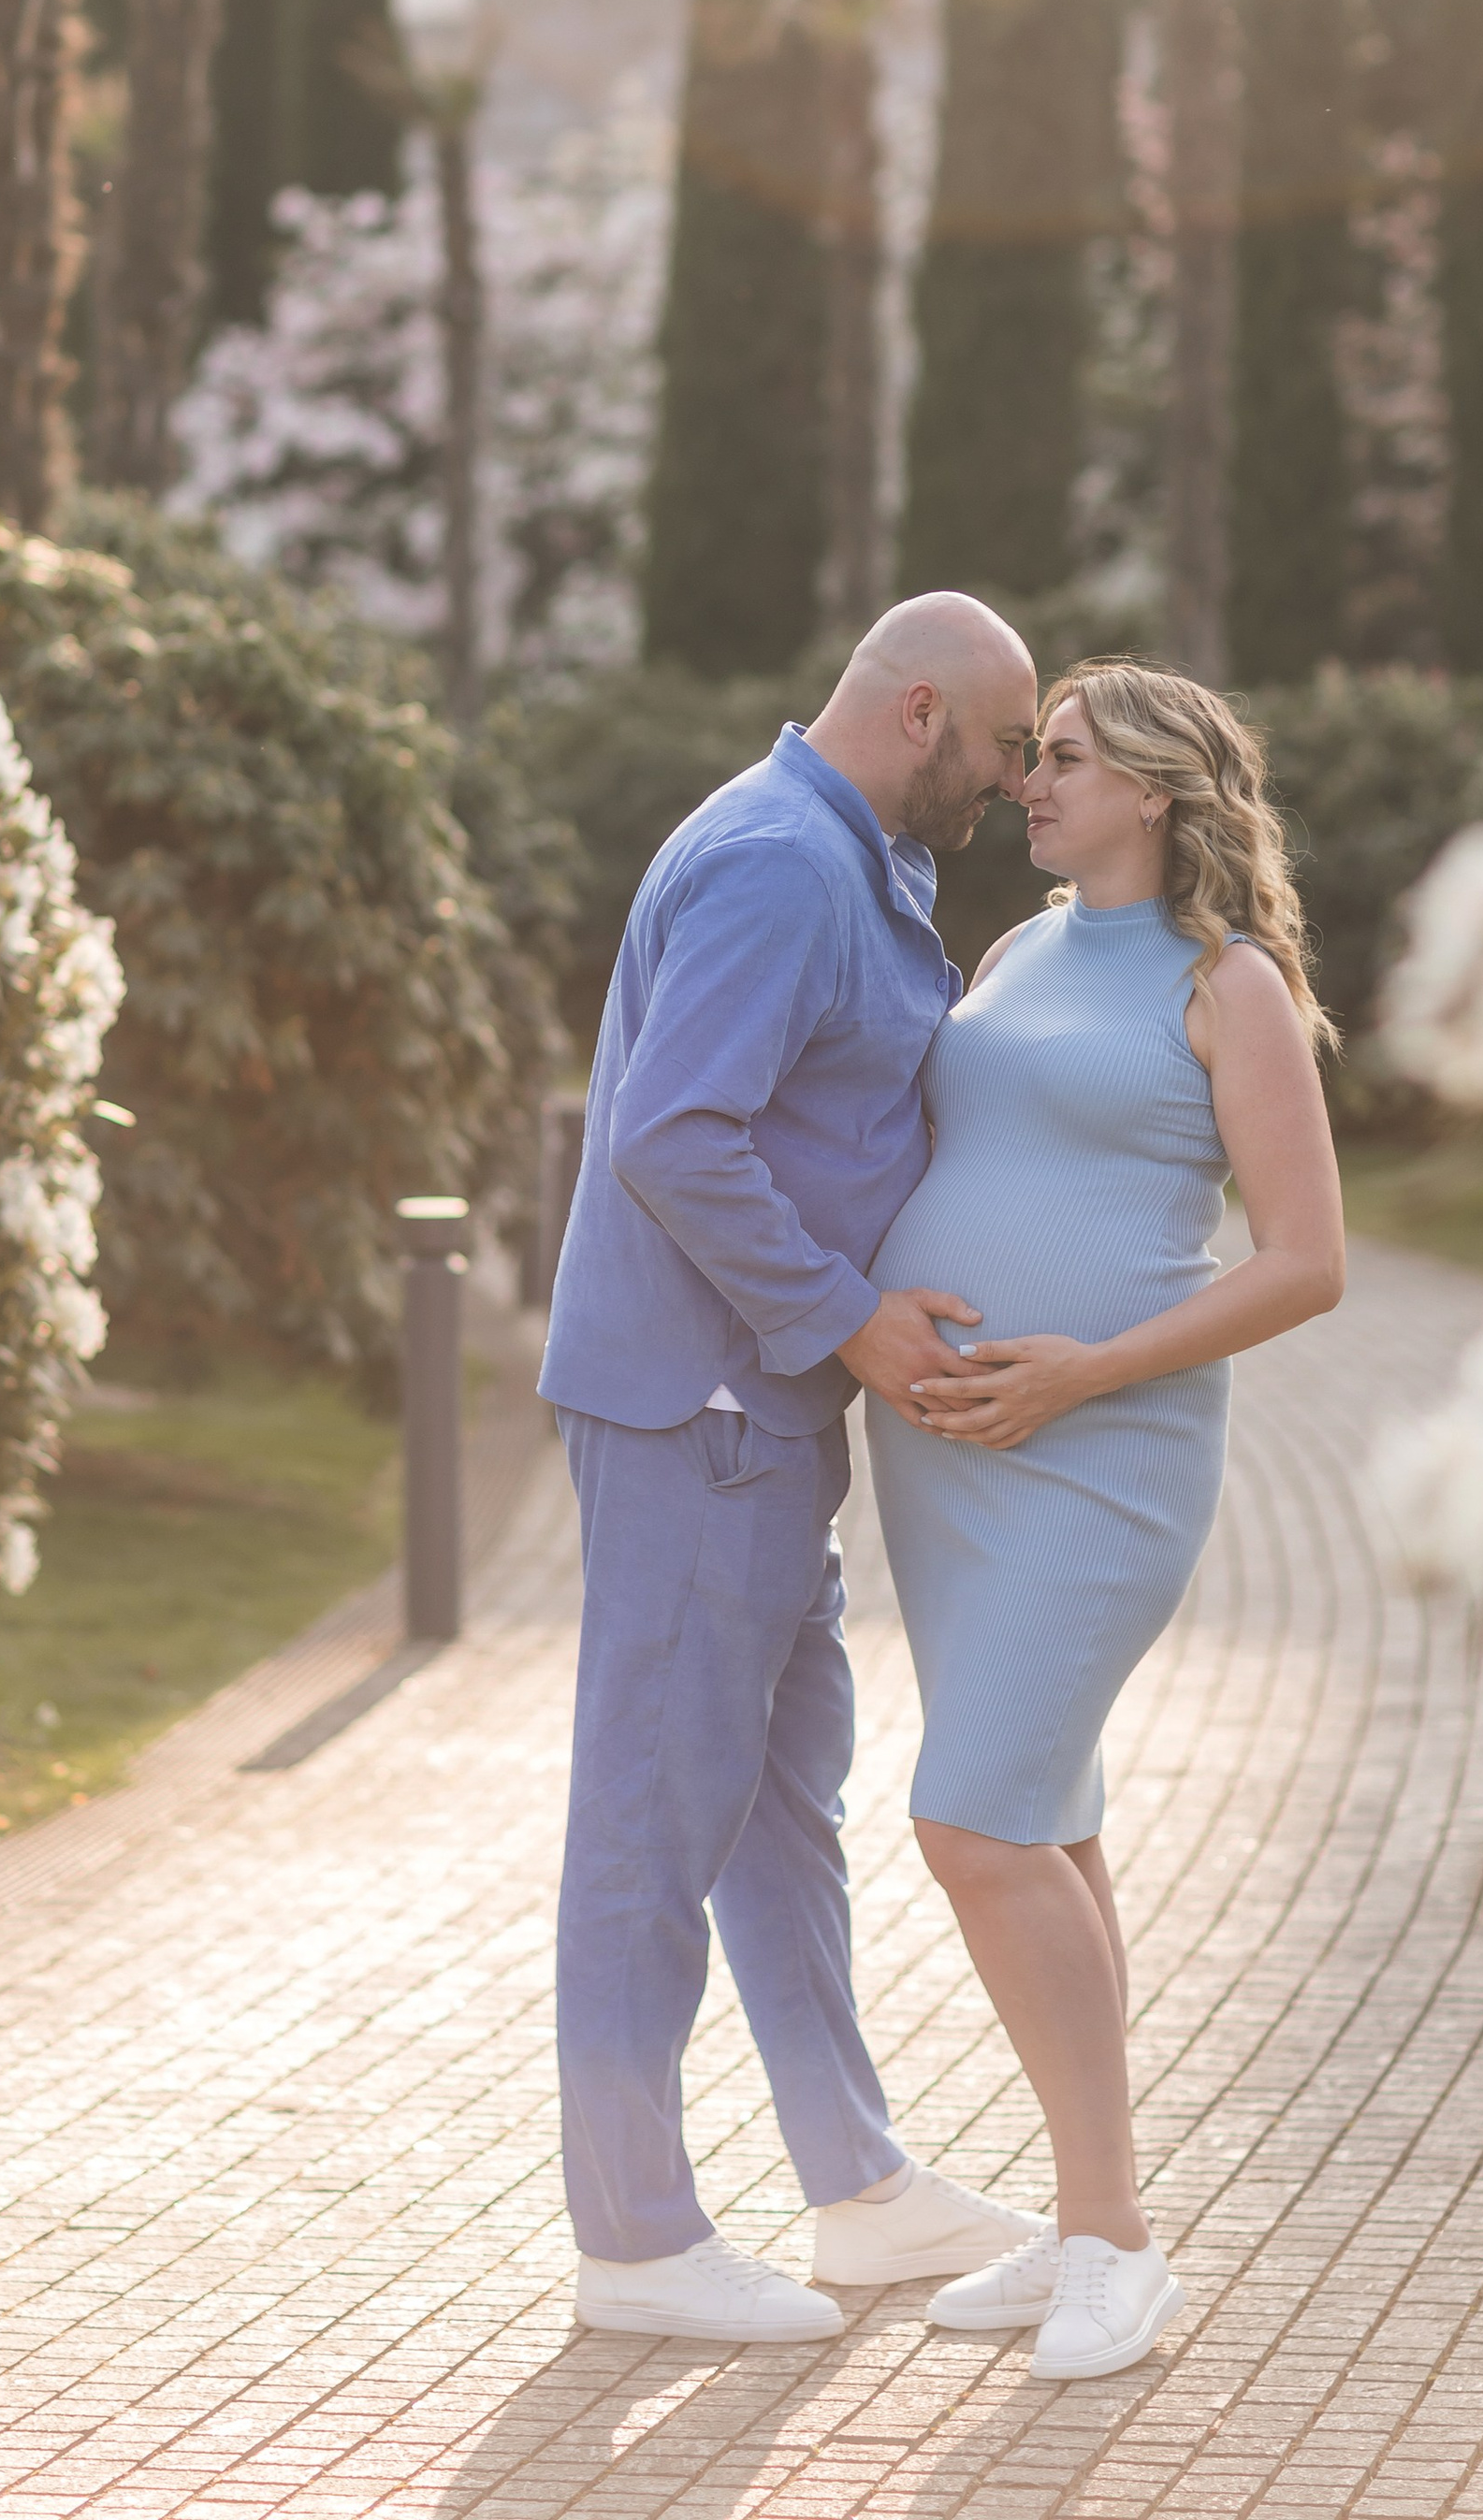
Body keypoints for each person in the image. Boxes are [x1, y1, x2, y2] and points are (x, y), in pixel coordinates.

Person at [541, 593, 1050, 2342]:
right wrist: (850, 1319)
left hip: (753, 1419)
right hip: (699, 1408)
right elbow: (672, 1133)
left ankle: (858, 2186)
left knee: (776, 1807)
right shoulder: (779, 861)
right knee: (651, 1817)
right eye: (998, 745)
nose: (1008, 782)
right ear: (919, 713)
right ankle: (634, 2238)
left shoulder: (846, 855)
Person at [866, 657, 1345, 2381]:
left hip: (1102, 1456)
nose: (1028, 784)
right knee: (1046, 1826)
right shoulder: (1011, 954)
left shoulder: (1233, 989)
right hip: (947, 1458)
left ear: (1151, 787)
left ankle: (1118, 2240)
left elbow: (1308, 1262)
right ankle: (1085, 2222)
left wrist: (1083, 1373)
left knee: (975, 1824)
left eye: (1060, 760)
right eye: (1031, 759)